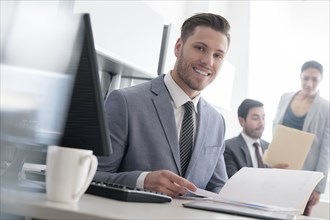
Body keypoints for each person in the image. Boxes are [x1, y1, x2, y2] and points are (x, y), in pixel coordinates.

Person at [95, 13, 231, 197]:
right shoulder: (126, 102)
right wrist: (141, 181)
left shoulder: (217, 121)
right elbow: (92, 175)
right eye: (200, 48)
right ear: (178, 47)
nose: (208, 61)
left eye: (218, 55)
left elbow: (218, 188)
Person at [273, 60, 329, 216]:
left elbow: (326, 149)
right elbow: (276, 130)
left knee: (298, 215)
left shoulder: (326, 108)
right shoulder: (285, 98)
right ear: (300, 77)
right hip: (280, 170)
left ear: (321, 80)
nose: (309, 84)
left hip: (305, 177)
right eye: (306, 78)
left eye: (314, 79)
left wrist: (318, 188)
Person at [224, 99, 287, 178]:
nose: (261, 123)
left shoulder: (270, 147)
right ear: (242, 121)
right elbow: (235, 180)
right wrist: (269, 174)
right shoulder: (228, 147)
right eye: (255, 118)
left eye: (263, 118)